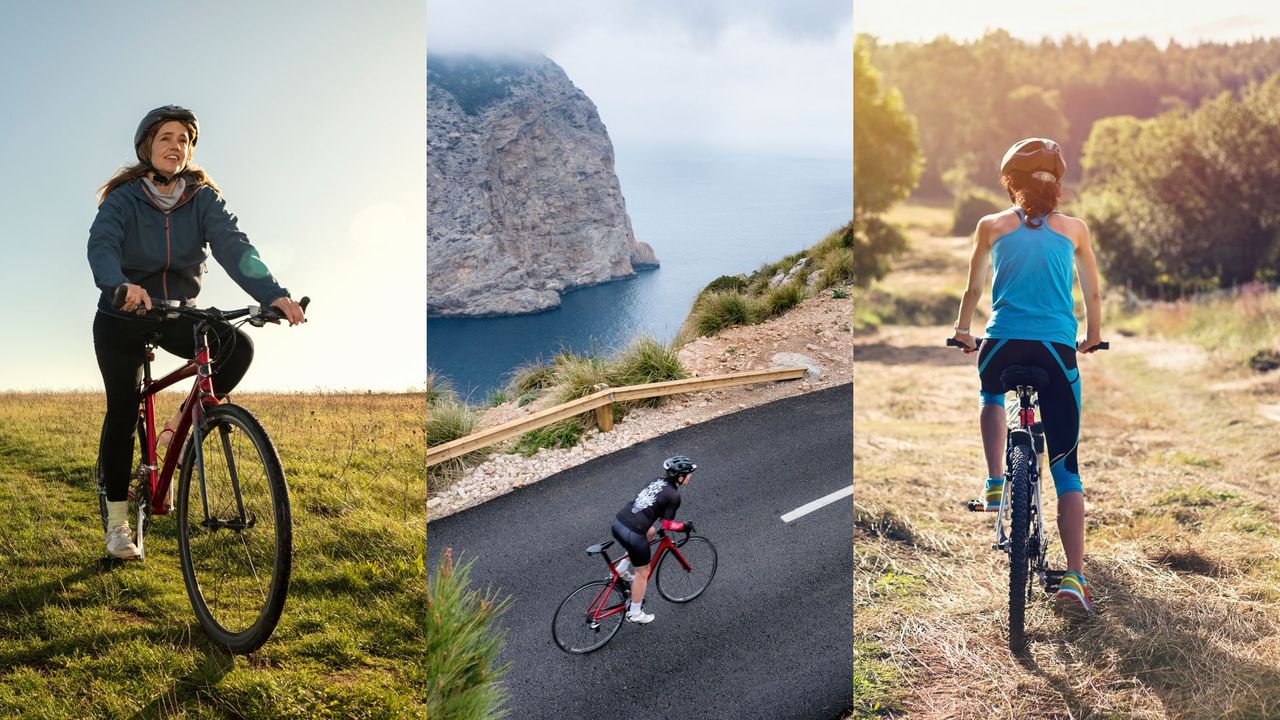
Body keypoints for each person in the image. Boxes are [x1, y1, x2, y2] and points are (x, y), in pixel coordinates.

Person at [88, 105, 305, 560]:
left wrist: (274, 294)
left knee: (236, 347)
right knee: (124, 411)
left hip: (175, 312)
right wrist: (119, 286)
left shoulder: (202, 198)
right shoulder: (124, 198)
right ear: (148, 147)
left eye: (184, 139)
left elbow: (234, 246)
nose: (176, 146)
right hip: (123, 314)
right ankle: (117, 524)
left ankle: (180, 432)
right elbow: (102, 245)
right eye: (167, 137)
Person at [950, 138, 1103, 613]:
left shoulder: (990, 226)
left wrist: (962, 332)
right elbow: (1093, 297)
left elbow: (974, 286)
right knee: (1066, 470)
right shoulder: (1075, 229)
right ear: (1057, 184)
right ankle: (1073, 580)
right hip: (1057, 351)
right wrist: (1092, 337)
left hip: (1000, 345)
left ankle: (996, 481)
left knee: (991, 392)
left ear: (1010, 183)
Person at [610, 455, 697, 624]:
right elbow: (668, 525)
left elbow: (650, 504)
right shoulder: (674, 495)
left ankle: (621, 568)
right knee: (643, 573)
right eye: (689, 473)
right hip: (633, 534)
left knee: (650, 531)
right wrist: (684, 527)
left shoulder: (655, 480)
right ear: (680, 477)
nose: (691, 476)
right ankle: (635, 612)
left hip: (619, 523)